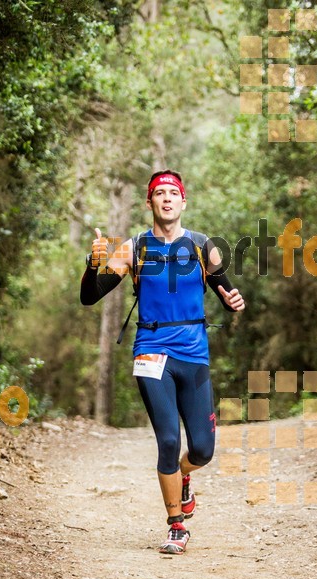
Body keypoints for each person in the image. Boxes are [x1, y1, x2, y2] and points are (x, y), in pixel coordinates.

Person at [81, 170, 245, 554]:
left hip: (194, 354)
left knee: (202, 450)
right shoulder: (134, 248)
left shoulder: (203, 246)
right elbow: (90, 297)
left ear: (183, 202)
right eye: (160, 193)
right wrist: (93, 264)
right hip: (151, 350)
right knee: (168, 440)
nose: (167, 198)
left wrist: (234, 300)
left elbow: (226, 290)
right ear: (150, 203)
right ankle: (176, 524)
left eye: (174, 193)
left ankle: (183, 478)